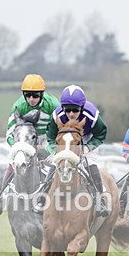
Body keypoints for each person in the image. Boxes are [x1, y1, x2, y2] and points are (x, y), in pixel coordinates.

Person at [0, 73, 60, 214]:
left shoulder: (53, 105)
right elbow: (10, 134)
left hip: (48, 137)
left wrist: (48, 149)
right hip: (26, 139)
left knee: (55, 163)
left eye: (35, 96)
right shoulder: (19, 106)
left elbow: (60, 132)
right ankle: (1, 199)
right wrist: (19, 149)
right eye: (27, 95)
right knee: (14, 162)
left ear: (42, 94)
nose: (31, 99)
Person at [42, 84, 109, 216]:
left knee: (91, 163)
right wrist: (56, 149)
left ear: (82, 108)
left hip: (86, 139)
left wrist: (88, 147)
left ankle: (99, 199)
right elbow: (50, 135)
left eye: (75, 110)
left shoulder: (92, 116)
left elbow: (101, 134)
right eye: (67, 110)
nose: (71, 114)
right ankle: (42, 196)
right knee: (56, 164)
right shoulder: (57, 116)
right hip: (65, 142)